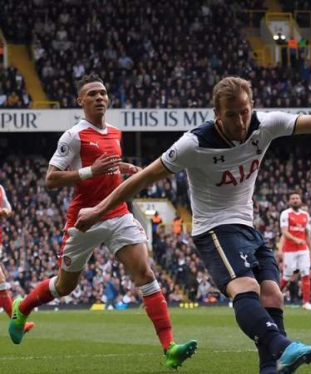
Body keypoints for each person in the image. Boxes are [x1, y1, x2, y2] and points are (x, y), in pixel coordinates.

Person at [75, 76, 311, 374]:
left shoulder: (265, 124)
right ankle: (283, 347)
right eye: (231, 115)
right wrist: (99, 209)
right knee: (247, 288)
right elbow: (143, 178)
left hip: (246, 226)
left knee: (273, 296)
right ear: (216, 114)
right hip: (213, 228)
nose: (240, 122)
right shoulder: (193, 143)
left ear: (251, 105)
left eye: (244, 112)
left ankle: (270, 368)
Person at [7, 74, 197, 369]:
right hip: (84, 219)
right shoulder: (73, 136)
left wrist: (122, 167)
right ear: (80, 101)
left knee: (145, 274)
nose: (99, 97)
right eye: (92, 94)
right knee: (64, 286)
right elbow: (51, 178)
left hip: (118, 213)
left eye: (103, 93)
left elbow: (105, 166)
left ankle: (169, 347)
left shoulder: (116, 133)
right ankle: (23, 307)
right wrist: (89, 173)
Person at [0, 184, 35, 333]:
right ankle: (17, 325)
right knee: (1, 283)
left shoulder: (0, 189)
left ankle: (17, 325)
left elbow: (8, 208)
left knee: (1, 284)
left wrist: (5, 212)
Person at [278, 193, 311, 311]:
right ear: (289, 201)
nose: (295, 200)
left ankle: (306, 303)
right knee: (287, 276)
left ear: (300, 200)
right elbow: (284, 232)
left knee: (306, 273)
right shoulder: (285, 214)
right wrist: (296, 240)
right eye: (293, 198)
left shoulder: (305, 215)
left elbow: (307, 235)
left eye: (297, 198)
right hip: (290, 250)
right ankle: (270, 297)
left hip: (303, 250)